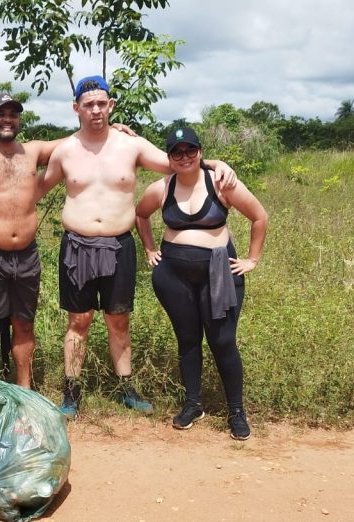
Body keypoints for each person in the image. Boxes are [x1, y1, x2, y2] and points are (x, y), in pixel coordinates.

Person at [39, 76, 237, 420]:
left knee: (119, 320)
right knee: (79, 320)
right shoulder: (65, 150)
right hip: (77, 246)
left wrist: (217, 165)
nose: (96, 110)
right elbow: (36, 190)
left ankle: (125, 388)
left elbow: (181, 161)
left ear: (111, 105)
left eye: (102, 103)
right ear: (76, 109)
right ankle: (71, 394)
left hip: (118, 244)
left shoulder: (131, 145)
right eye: (88, 105)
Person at [0, 93, 138, 388]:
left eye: (13, 114)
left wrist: (111, 128)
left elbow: (82, 138)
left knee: (24, 323)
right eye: (0, 114)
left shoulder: (33, 151)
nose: (7, 119)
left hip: (26, 255)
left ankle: (25, 390)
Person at [135, 126, 267, 440]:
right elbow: (140, 215)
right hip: (173, 276)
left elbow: (259, 216)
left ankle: (237, 410)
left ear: (200, 152)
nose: (184, 157)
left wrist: (252, 259)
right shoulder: (162, 188)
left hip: (219, 273)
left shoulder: (221, 183)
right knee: (188, 339)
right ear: (169, 157)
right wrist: (150, 248)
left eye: (190, 150)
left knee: (223, 341)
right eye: (177, 152)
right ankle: (192, 403)